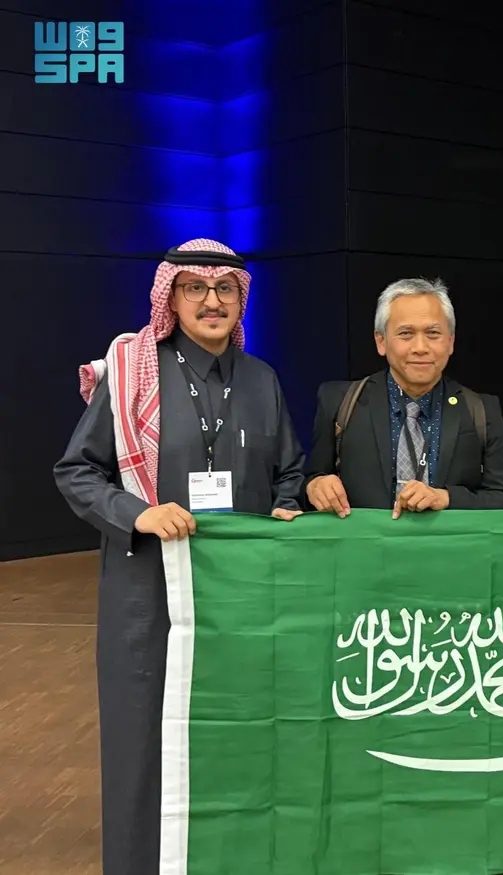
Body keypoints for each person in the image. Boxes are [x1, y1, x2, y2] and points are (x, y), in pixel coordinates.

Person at [53, 238, 307, 875]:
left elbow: (290, 472)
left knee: (241, 738)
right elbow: (77, 472)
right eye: (195, 288)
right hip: (147, 597)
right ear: (171, 297)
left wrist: (285, 507)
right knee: (144, 745)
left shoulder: (262, 380)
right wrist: (136, 513)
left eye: (225, 289)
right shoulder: (133, 373)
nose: (211, 301)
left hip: (241, 602)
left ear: (241, 300)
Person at [303, 277, 503, 516]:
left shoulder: (481, 410)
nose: (420, 347)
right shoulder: (340, 402)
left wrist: (446, 498)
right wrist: (315, 486)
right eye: (406, 334)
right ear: (381, 341)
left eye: (433, 333)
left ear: (450, 342)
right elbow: (307, 485)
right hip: (365, 540)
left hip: (447, 541)